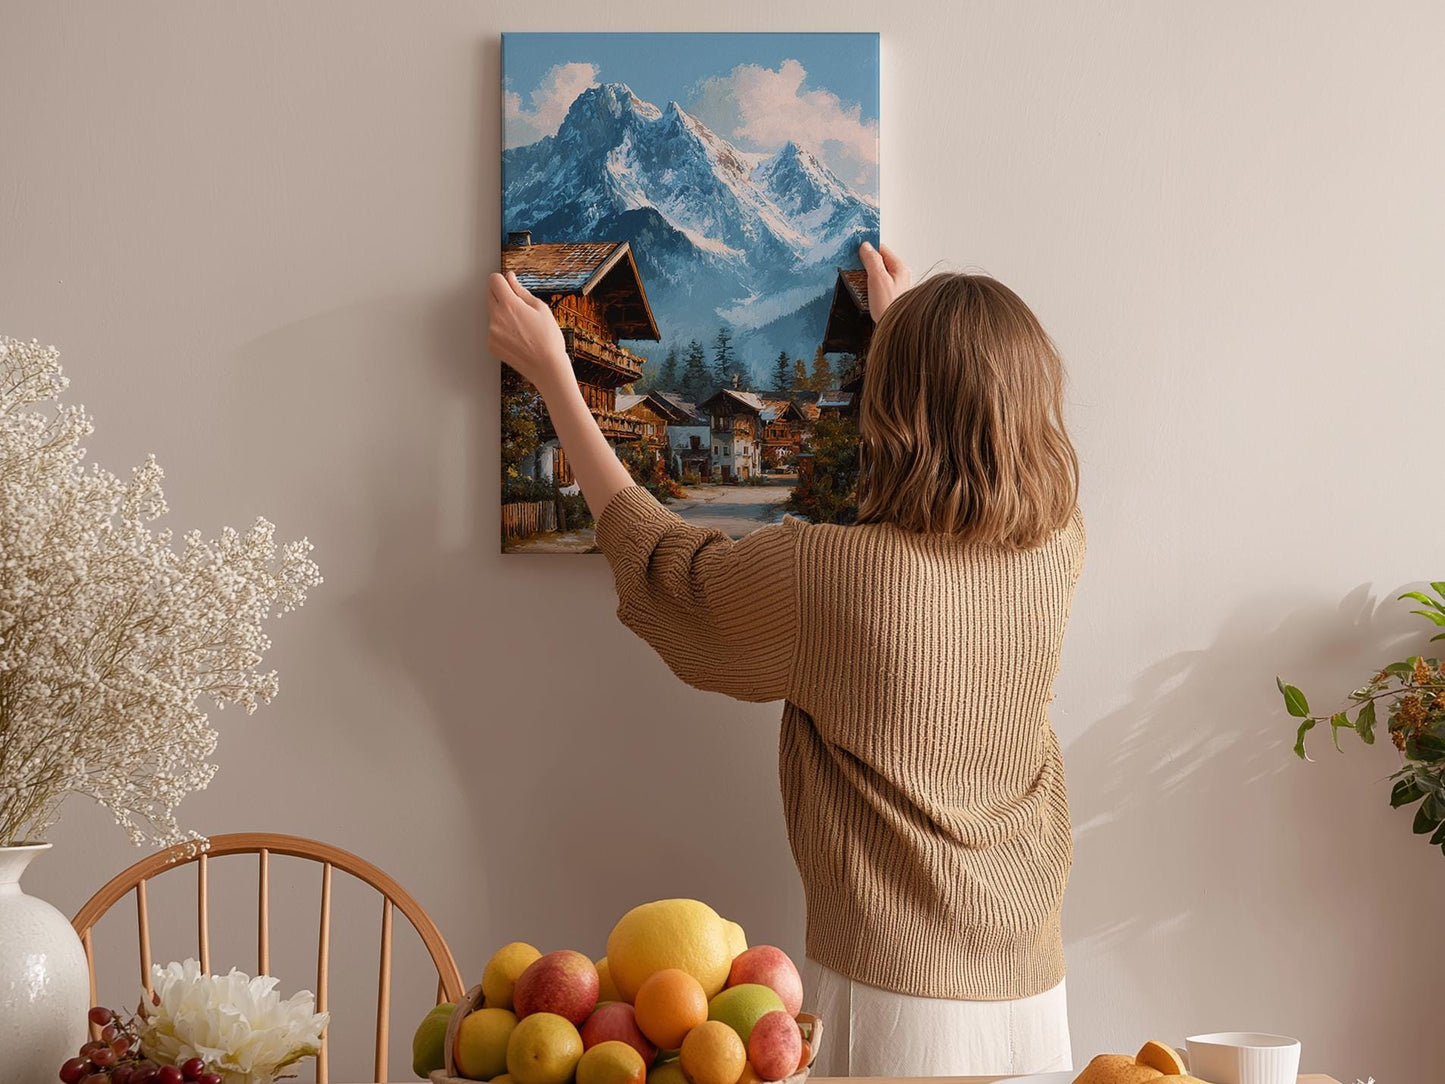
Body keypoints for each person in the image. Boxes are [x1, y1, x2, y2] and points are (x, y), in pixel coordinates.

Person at [486, 241, 1084, 1076]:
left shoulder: (827, 574)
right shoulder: (1058, 547)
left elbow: (666, 570)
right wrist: (903, 335)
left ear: (892, 407)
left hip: (893, 1000)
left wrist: (555, 374)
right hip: (1033, 990)